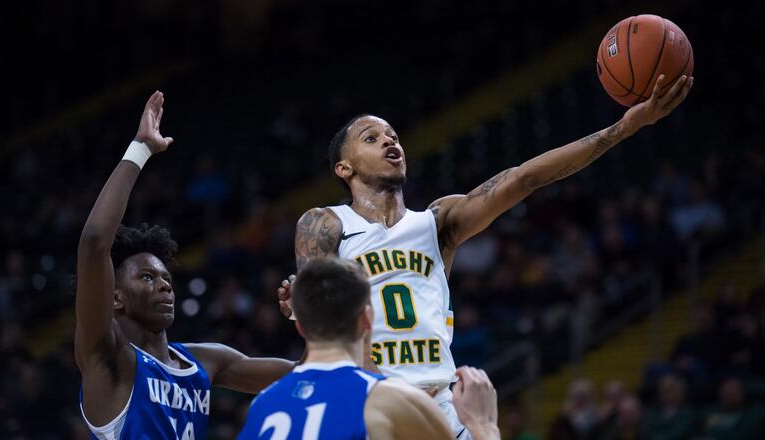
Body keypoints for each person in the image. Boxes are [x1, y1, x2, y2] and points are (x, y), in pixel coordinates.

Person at [277, 75, 693, 437]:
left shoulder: (438, 222)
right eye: (372, 137)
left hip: (440, 405)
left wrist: (622, 128)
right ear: (344, 168)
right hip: (370, 401)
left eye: (393, 136)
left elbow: (524, 177)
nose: (389, 140)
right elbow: (317, 329)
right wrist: (300, 306)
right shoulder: (325, 223)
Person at [75, 91, 296, 439]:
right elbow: (93, 243)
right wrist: (141, 148)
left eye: (165, 278)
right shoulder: (110, 360)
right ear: (115, 298)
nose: (164, 285)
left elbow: (306, 375)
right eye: (147, 277)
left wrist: (307, 313)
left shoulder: (204, 362)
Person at [241, 258, 500, 439]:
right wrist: (484, 426)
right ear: (367, 320)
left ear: (300, 327)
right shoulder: (389, 401)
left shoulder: (262, 405)